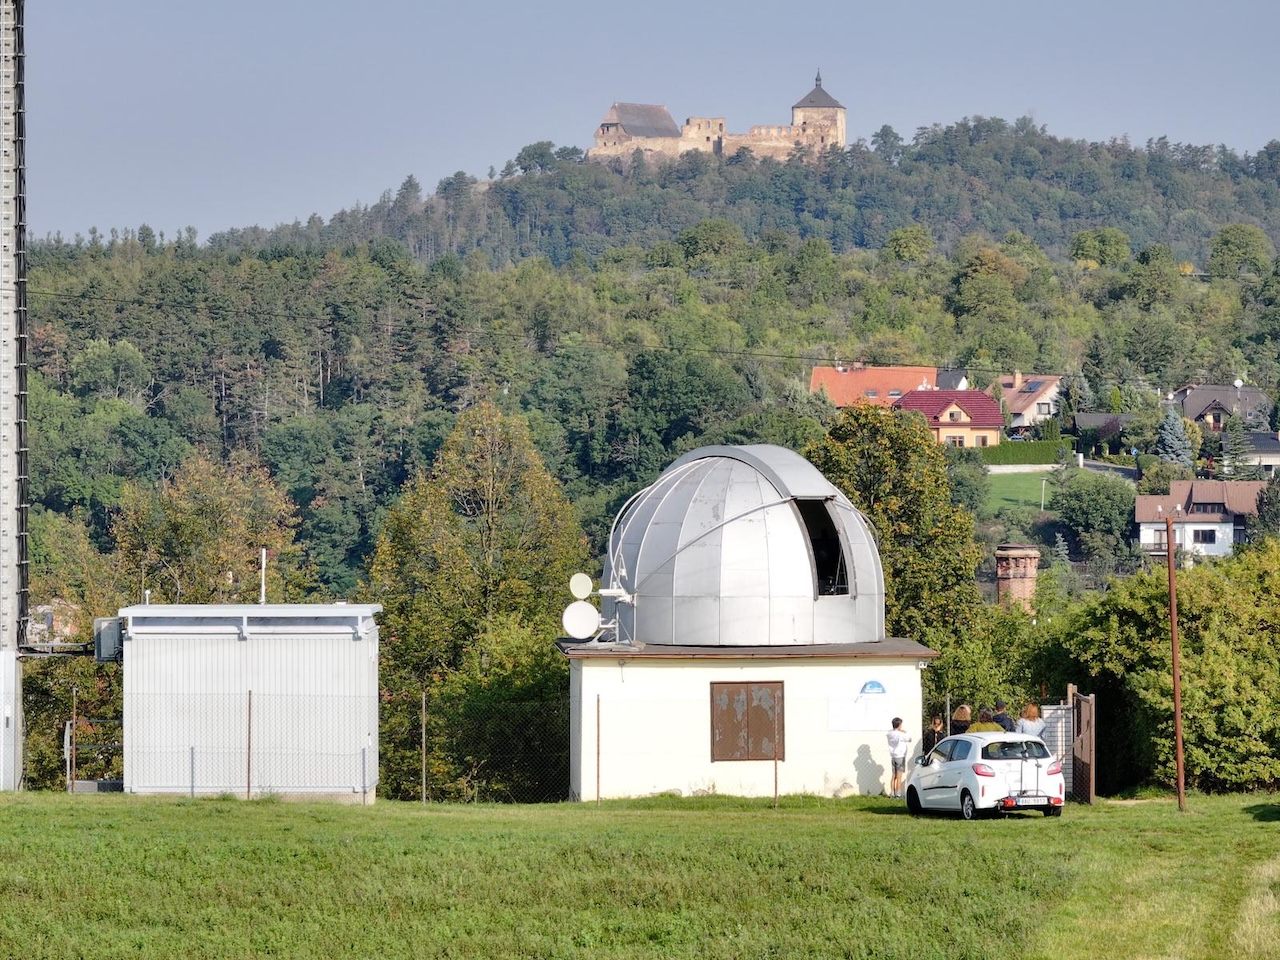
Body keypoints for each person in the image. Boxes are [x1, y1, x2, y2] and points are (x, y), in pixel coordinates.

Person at [886, 718, 911, 799]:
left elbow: (891, 732)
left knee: (894, 775)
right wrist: (904, 732)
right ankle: (898, 794)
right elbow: (909, 739)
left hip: (893, 756)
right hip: (900, 755)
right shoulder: (900, 734)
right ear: (899, 725)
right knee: (899, 776)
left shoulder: (890, 733)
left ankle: (892, 793)